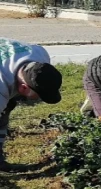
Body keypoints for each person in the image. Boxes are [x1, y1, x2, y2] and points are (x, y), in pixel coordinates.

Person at [0, 37, 63, 172]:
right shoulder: (1, 86)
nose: (39, 99)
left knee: (4, 113)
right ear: (23, 88)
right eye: (39, 96)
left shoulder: (40, 55)